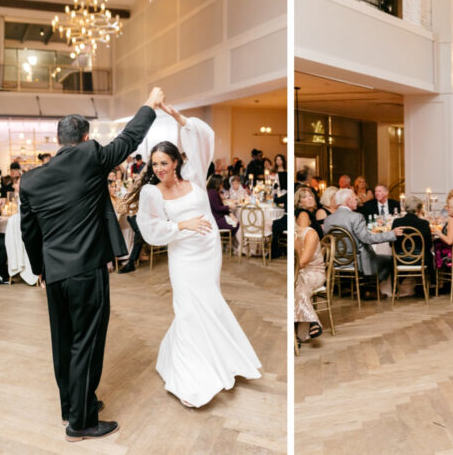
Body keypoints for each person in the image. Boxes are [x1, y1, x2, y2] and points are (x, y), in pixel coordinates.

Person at [19, 87, 163, 441]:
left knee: (63, 340)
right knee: (86, 341)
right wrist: (149, 104)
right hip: (86, 270)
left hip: (54, 272)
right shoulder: (90, 156)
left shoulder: (31, 180)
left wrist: (40, 268)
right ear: (84, 138)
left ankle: (73, 404)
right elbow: (129, 138)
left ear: (58, 140)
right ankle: (80, 423)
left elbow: (29, 233)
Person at [128, 103, 262, 409]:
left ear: (176, 162)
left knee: (209, 303)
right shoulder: (152, 193)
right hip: (183, 254)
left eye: (164, 162)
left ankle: (221, 359)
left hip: (208, 250)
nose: (159, 169)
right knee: (188, 309)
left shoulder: (195, 174)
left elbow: (203, 136)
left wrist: (178, 118)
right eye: (155, 164)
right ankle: (190, 381)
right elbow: (150, 230)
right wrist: (181, 224)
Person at [322, 188, 402, 294]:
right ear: (347, 201)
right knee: (391, 260)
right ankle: (370, 288)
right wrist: (392, 234)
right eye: (355, 199)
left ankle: (363, 287)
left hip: (336, 260)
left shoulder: (328, 219)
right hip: (357, 261)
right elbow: (367, 239)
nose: (357, 201)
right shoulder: (356, 217)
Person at [295, 197, 326, 342]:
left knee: (298, 286)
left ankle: (311, 323)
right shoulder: (294, 236)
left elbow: (302, 262)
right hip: (299, 273)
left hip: (314, 272)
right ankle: (299, 335)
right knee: (296, 285)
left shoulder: (310, 234)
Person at [390, 196, 435, 287]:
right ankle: (430, 284)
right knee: (430, 254)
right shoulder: (424, 223)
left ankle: (396, 286)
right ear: (418, 209)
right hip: (420, 259)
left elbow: (391, 244)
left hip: (400, 259)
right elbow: (429, 245)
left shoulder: (396, 222)